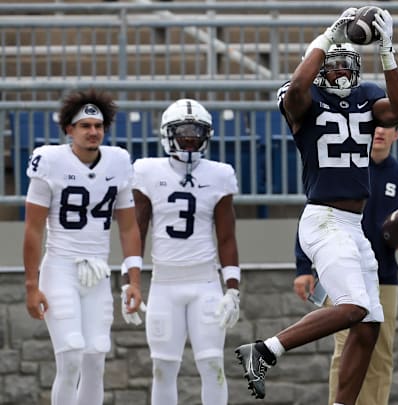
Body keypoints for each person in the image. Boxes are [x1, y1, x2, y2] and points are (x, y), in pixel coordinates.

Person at [234, 7, 398, 404]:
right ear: (317, 69)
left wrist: (387, 52)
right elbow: (296, 90)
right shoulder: (303, 98)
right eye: (332, 67)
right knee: (352, 308)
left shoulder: (366, 100)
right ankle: (264, 351)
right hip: (324, 219)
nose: (341, 74)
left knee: (369, 326)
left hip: (353, 225)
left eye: (347, 66)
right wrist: (326, 38)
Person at [293, 125, 398, 405]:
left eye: (389, 128)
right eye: (375, 126)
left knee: (379, 353)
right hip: (338, 272)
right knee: (344, 347)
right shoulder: (342, 170)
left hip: (382, 278)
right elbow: (312, 216)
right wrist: (303, 269)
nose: (380, 132)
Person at [22, 89, 144, 405]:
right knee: (72, 354)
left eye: (98, 125)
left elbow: (129, 227)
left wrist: (134, 279)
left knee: (95, 356)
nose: (93, 132)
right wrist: (31, 285)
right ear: (69, 130)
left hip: (98, 272)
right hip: (61, 267)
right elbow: (33, 230)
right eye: (85, 126)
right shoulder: (50, 161)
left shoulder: (118, 161)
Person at [132, 98, 241, 405]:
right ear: (168, 133)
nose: (190, 138)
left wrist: (232, 289)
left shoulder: (219, 174)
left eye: (197, 131)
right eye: (184, 131)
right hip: (164, 284)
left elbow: (227, 237)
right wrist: (132, 280)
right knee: (163, 369)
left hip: (205, 282)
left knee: (212, 365)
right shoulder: (147, 171)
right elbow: (137, 229)